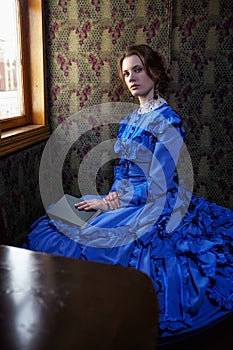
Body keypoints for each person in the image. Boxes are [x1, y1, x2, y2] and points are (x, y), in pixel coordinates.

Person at [23, 44, 233, 341]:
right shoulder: (130, 119)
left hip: (156, 201)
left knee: (115, 245)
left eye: (137, 69)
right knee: (61, 221)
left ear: (154, 72)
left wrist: (114, 205)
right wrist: (108, 199)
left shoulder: (169, 120)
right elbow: (122, 172)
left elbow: (159, 184)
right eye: (126, 73)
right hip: (125, 199)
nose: (131, 77)